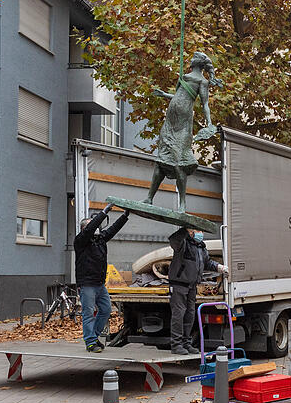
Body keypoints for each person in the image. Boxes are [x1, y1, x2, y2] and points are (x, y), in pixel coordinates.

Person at [143, 52, 222, 213]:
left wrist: (210, 123)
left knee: (179, 163)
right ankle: (149, 198)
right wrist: (164, 94)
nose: (190, 59)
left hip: (183, 124)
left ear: (198, 62)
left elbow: (204, 104)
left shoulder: (202, 81)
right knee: (161, 161)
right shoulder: (184, 76)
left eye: (193, 57)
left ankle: (182, 204)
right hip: (170, 121)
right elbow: (178, 95)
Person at [74, 203, 129, 352]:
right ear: (85, 229)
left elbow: (113, 229)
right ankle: (90, 342)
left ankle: (94, 336)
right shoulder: (80, 241)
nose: (97, 228)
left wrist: (125, 216)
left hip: (99, 284)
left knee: (105, 310)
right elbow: (91, 228)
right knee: (88, 313)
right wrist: (104, 212)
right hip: (87, 285)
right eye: (93, 226)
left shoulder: (100, 240)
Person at [168, 227, 228, 355]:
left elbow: (206, 262)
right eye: (198, 230)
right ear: (191, 232)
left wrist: (218, 267)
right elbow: (173, 240)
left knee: (190, 314)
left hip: (192, 286)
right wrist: (184, 230)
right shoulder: (183, 244)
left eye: (202, 231)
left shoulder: (200, 247)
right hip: (179, 285)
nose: (201, 233)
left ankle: (186, 343)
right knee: (179, 314)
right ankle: (176, 345)